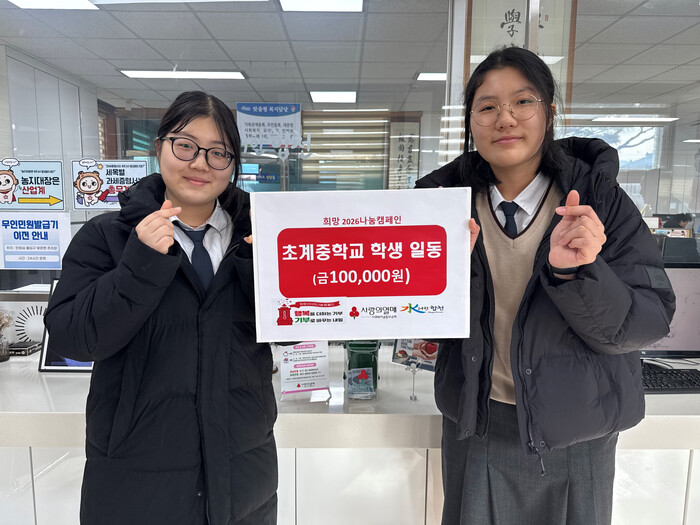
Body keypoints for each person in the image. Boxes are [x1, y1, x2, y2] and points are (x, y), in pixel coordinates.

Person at [416, 47, 675, 525]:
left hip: (578, 428)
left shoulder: (600, 203)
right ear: (471, 122)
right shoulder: (439, 206)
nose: (505, 118)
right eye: (487, 106)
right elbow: (419, 324)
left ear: (549, 112)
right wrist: (443, 279)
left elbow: (646, 322)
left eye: (523, 101)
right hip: (477, 422)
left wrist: (577, 273)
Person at [44, 91, 277, 525]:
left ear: (233, 163)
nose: (200, 163)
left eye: (218, 152)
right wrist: (139, 266)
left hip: (242, 470)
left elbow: (297, 330)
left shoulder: (261, 237)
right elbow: (72, 338)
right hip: (135, 475)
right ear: (159, 147)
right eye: (185, 145)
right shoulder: (107, 237)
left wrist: (267, 273)